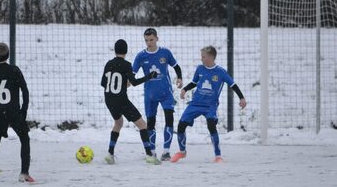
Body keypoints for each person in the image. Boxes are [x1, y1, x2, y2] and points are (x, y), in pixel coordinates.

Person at [171, 45, 247, 163]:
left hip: (210, 106)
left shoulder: (221, 72)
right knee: (181, 125)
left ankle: (218, 156)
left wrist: (241, 98)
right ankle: (182, 152)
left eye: (203, 57)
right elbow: (194, 82)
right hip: (195, 104)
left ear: (211, 57)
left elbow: (233, 85)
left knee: (211, 125)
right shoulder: (200, 69)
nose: (201, 59)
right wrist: (184, 89)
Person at [0, 43, 34, 182]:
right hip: (14, 111)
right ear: (8, 55)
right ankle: (24, 173)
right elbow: (25, 90)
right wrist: (23, 110)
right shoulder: (14, 70)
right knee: (24, 139)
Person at [101, 39, 160, 165]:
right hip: (121, 100)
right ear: (126, 51)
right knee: (142, 125)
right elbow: (134, 82)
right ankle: (149, 155)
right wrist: (149, 76)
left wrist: (120, 85)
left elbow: (103, 83)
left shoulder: (108, 64)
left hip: (109, 99)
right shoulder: (127, 65)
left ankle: (110, 153)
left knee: (118, 123)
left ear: (115, 50)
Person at [132, 28, 183, 161]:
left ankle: (166, 152)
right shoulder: (141, 56)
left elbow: (176, 66)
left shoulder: (165, 53)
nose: (149, 43)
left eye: (151, 40)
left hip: (166, 93)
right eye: (146, 40)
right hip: (150, 95)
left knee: (169, 119)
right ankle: (152, 151)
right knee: (150, 123)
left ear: (157, 39)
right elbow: (132, 75)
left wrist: (179, 78)